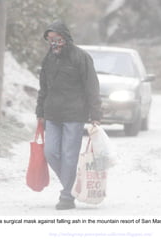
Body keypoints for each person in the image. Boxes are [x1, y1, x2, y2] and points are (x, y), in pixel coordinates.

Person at [36, 20, 102, 210]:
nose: (53, 43)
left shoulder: (81, 57)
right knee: (50, 152)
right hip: (52, 115)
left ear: (66, 38)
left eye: (57, 39)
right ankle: (73, 186)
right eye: (50, 40)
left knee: (69, 156)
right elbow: (43, 88)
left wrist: (95, 114)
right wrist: (40, 112)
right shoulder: (48, 59)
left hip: (74, 115)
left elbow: (92, 87)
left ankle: (66, 196)